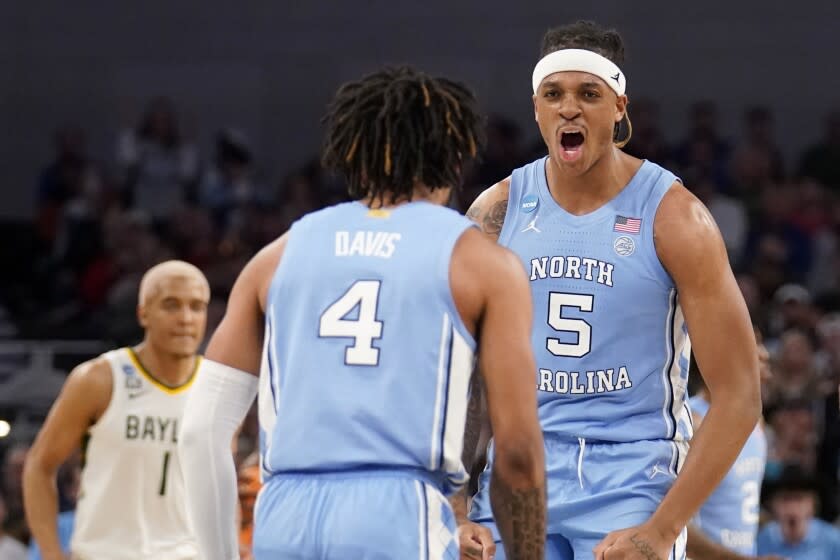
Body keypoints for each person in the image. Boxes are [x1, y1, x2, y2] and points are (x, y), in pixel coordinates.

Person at [177, 65, 547, 560]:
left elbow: (200, 433)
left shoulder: (276, 255)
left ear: (354, 154)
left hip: (284, 515)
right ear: (455, 158)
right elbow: (519, 454)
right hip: (397, 514)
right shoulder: (481, 262)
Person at [459, 20, 761, 560]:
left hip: (632, 476)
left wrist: (663, 529)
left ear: (620, 108)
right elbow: (459, 374)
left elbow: (739, 395)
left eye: (588, 94)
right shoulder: (495, 211)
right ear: (536, 108)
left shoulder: (675, 217)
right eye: (554, 94)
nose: (569, 108)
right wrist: (455, 505)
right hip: (518, 472)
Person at [23, 260, 210, 560]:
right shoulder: (100, 379)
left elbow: (220, 488)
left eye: (197, 306)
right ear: (143, 313)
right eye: (171, 305)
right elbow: (39, 465)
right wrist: (51, 553)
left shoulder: (217, 389)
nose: (186, 318)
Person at [686, 329, 782, 560]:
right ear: (721, 355)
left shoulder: (755, 419)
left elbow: (731, 502)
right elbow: (671, 526)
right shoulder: (691, 423)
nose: (765, 354)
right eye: (755, 343)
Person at [756, 466, 840, 559]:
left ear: (812, 505)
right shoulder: (762, 541)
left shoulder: (833, 541)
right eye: (786, 499)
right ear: (773, 505)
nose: (792, 508)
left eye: (798, 499)